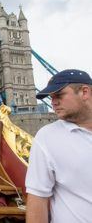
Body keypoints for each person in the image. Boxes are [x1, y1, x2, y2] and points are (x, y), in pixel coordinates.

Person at [25, 69, 92, 223]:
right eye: (51, 97)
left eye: (59, 95)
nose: (53, 102)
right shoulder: (47, 138)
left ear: (84, 92)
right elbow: (38, 199)